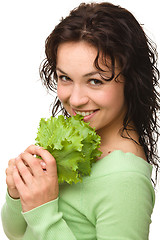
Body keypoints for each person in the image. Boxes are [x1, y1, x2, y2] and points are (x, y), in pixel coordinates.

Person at [1, 2, 160, 240]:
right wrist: (17, 195)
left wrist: (43, 211)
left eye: (95, 81)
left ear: (132, 81)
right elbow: (17, 233)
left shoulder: (125, 180)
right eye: (65, 77)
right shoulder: (74, 146)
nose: (74, 99)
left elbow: (39, 222)